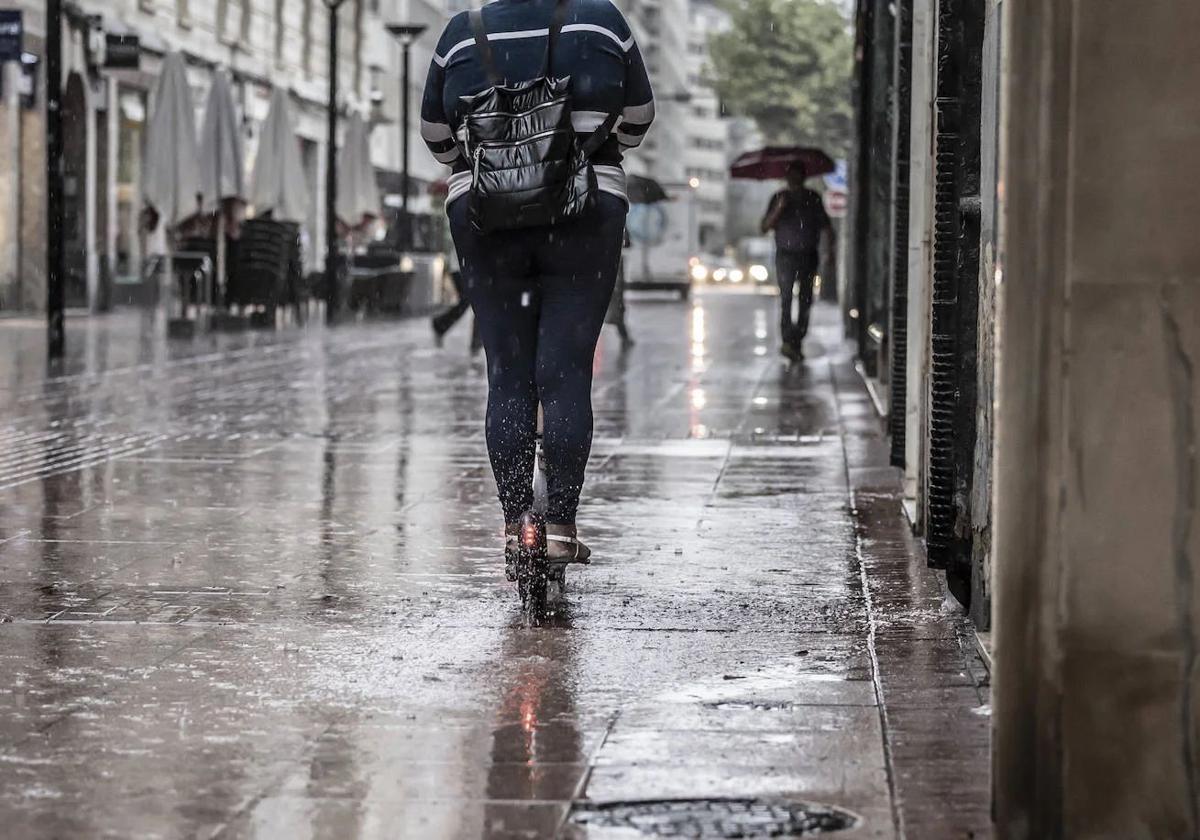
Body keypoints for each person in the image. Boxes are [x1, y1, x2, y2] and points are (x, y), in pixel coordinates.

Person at [421, 0, 655, 565]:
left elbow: (435, 135)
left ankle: (514, 520)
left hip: (486, 217)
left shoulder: (460, 33)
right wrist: (582, 151)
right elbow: (641, 115)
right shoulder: (603, 21)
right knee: (567, 370)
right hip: (586, 209)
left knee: (507, 372)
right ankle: (559, 526)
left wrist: (497, 160)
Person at [760, 162, 835, 361]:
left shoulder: (813, 198)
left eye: (797, 175)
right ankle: (787, 340)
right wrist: (779, 208)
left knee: (805, 300)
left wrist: (830, 254)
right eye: (791, 175)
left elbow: (827, 228)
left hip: (808, 255)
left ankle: (797, 340)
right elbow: (765, 226)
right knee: (785, 299)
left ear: (803, 177)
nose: (794, 179)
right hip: (785, 255)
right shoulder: (778, 198)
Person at [431, 248, 482, 355]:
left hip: (468, 265)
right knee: (472, 301)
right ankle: (440, 325)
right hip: (462, 265)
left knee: (476, 302)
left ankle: (476, 343)